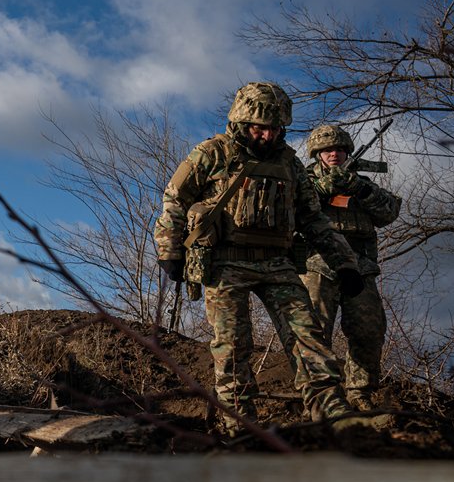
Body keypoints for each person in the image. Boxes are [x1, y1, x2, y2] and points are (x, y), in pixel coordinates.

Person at [153, 82, 365, 433]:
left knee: (308, 337)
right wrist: (170, 249)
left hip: (277, 263)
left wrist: (344, 262)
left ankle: (334, 414)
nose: (268, 135)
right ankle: (240, 425)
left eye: (275, 129)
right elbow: (175, 200)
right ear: (240, 122)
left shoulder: (290, 164)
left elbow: (313, 219)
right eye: (260, 128)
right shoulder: (211, 153)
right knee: (233, 346)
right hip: (225, 262)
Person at [300, 124, 400, 411]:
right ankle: (318, 394)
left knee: (369, 329)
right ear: (317, 153)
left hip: (360, 266)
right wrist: (320, 191)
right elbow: (289, 212)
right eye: (327, 149)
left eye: (339, 149)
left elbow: (389, 212)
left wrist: (360, 188)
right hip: (317, 263)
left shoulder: (362, 183)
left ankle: (360, 392)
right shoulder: (303, 182)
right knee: (314, 331)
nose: (334, 154)